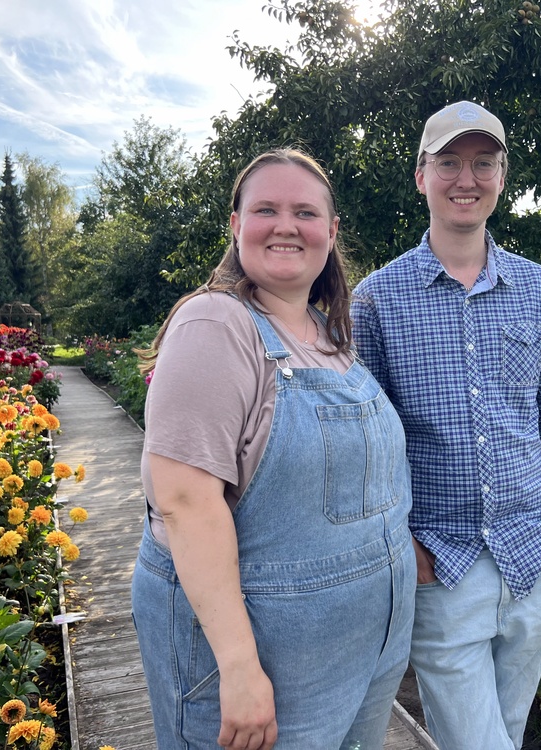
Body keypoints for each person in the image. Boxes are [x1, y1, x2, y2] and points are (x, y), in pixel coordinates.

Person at [130, 148, 415, 750]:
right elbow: (184, 502)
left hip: (363, 649)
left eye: (305, 212)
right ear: (235, 225)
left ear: (331, 233)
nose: (286, 225)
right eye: (266, 209)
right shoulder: (215, 324)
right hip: (265, 659)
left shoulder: (331, 334)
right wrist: (237, 665)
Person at [351, 101, 541, 749]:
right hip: (442, 563)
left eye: (483, 162)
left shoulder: (539, 289)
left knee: (504, 732)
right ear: (421, 175)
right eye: (449, 161)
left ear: (502, 175)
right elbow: (369, 441)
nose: (467, 177)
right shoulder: (376, 298)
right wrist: (409, 547)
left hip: (536, 556)